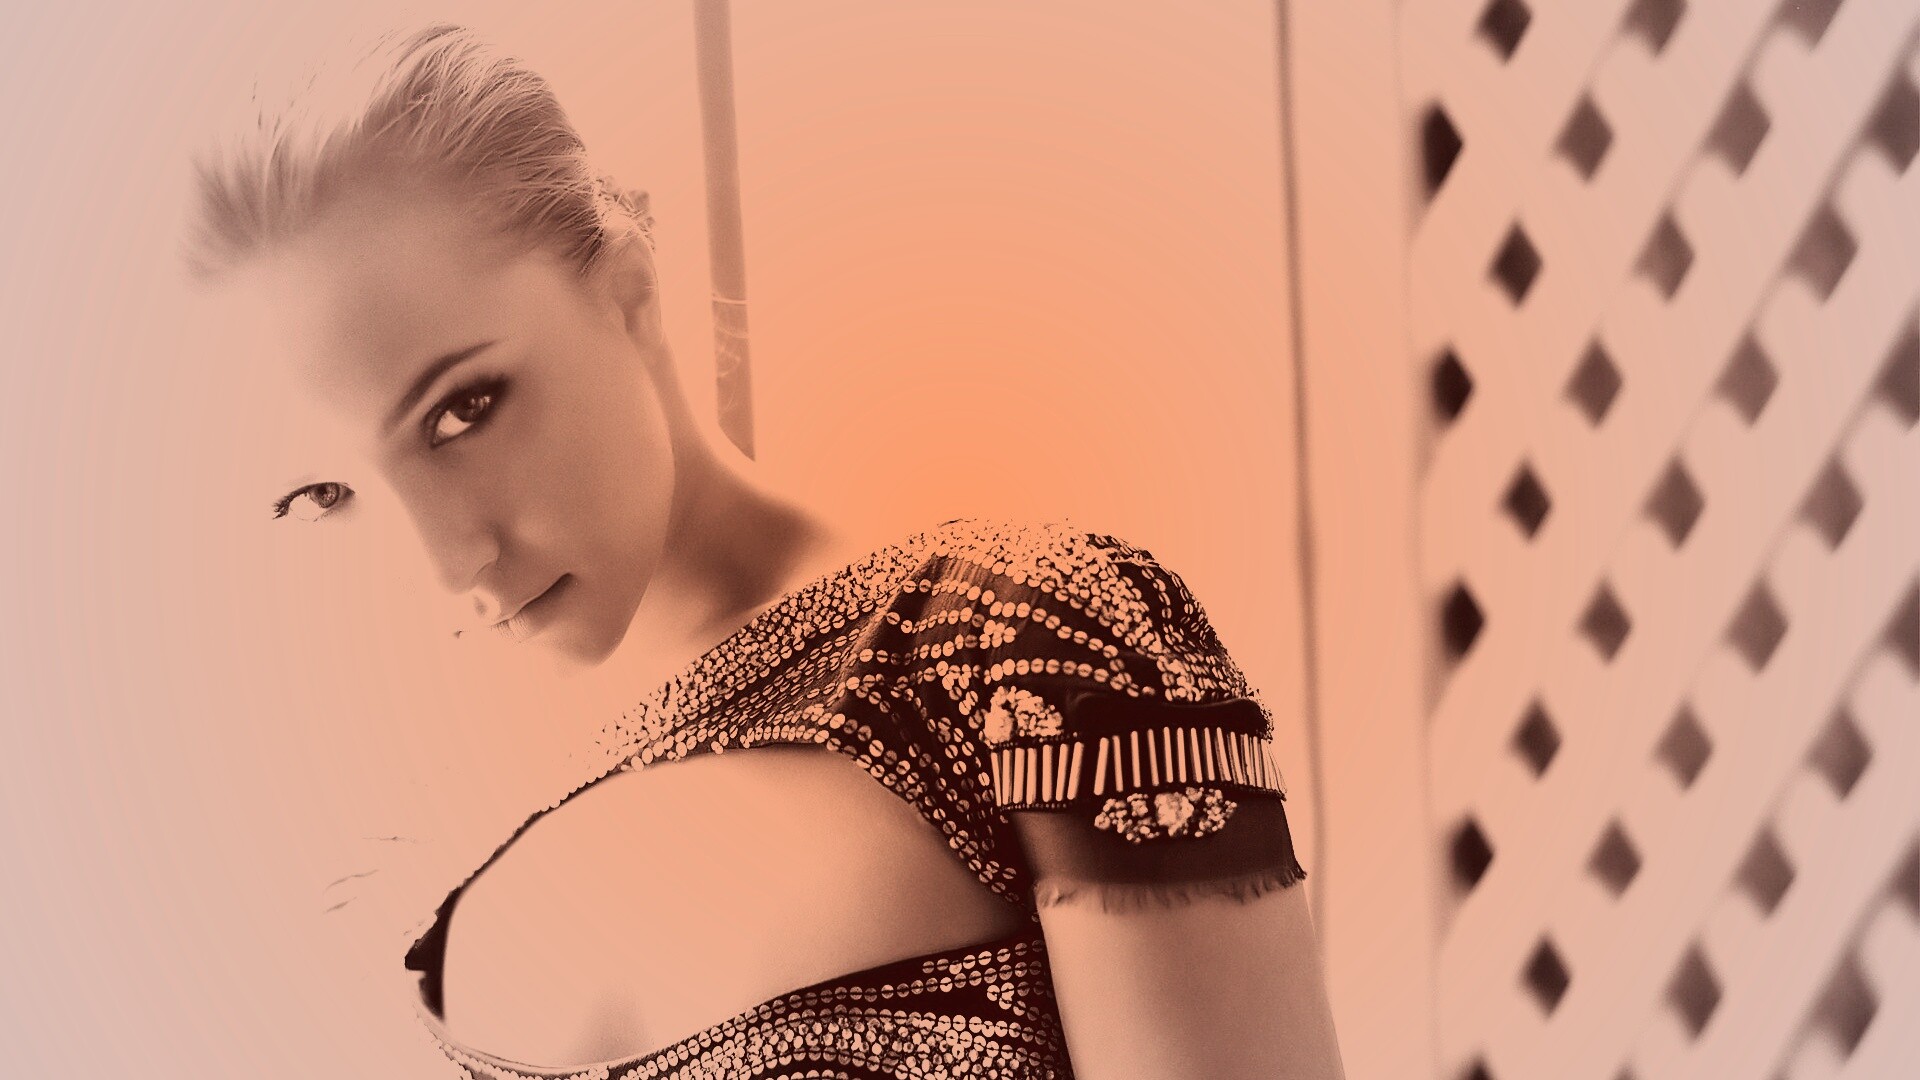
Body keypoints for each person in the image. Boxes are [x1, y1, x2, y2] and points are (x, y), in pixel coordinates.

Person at [183, 22, 1346, 1079]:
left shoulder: (1031, 638)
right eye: (324, 494)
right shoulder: (392, 867)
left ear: (627, 291)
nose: (448, 563)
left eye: (462, 410)